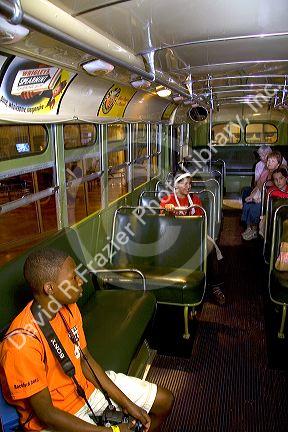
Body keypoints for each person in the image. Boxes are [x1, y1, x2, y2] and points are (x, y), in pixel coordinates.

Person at [0, 249, 174, 432]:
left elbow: (85, 360)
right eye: (73, 277)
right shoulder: (21, 344)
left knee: (165, 400)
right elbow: (46, 414)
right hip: (56, 416)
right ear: (50, 288)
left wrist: (128, 403)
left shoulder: (68, 307)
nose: (80, 281)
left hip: (84, 389)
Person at [160, 171, 225, 305]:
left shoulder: (195, 200)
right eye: (185, 184)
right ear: (176, 185)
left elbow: (201, 221)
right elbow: (161, 223)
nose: (189, 187)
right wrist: (167, 211)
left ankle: (215, 287)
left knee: (210, 248)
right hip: (173, 238)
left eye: (190, 183)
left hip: (194, 236)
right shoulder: (167, 201)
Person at [241, 151, 282, 240]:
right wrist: (251, 196)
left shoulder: (278, 175)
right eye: (268, 160)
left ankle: (254, 230)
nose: (269, 163)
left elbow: (273, 192)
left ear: (278, 164)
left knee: (254, 208)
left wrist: (261, 200)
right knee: (247, 204)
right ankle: (249, 228)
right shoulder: (265, 172)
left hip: (269, 201)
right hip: (260, 197)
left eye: (272, 161)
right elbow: (258, 186)